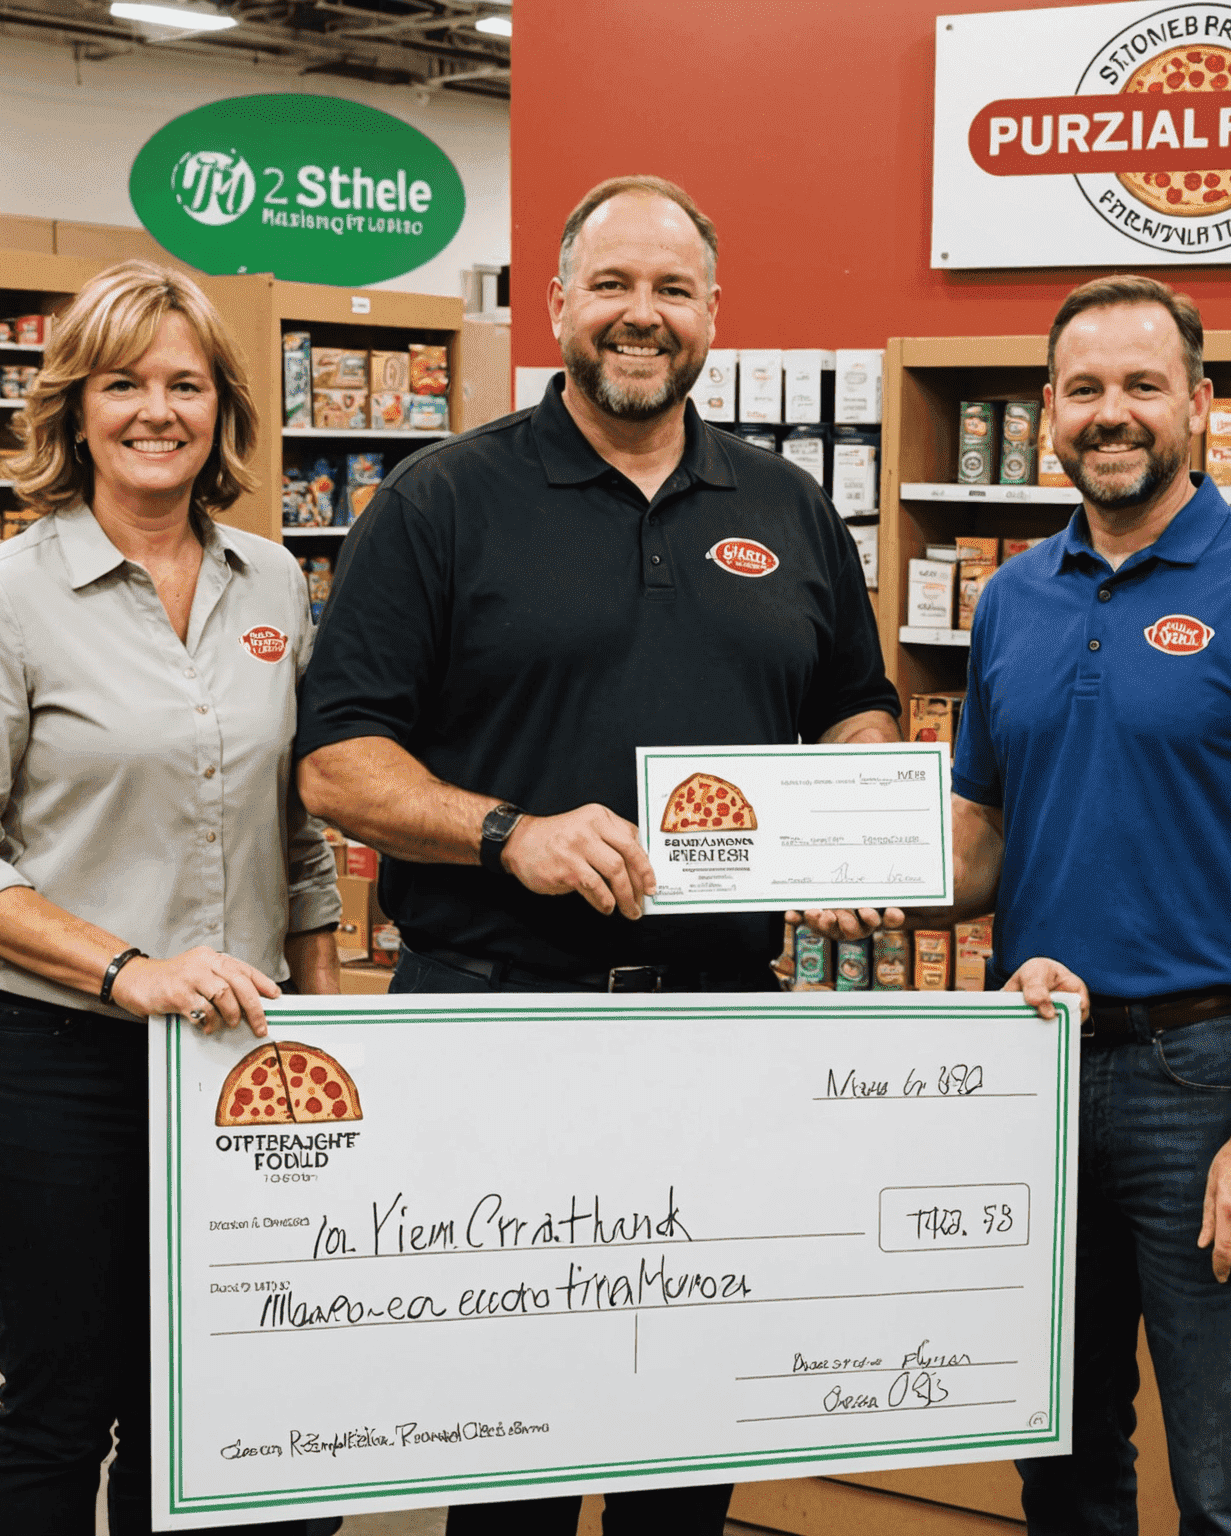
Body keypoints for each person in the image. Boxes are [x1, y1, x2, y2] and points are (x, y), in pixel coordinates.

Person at [294, 175, 900, 1533]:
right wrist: (507, 833)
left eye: (673, 290)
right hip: (499, 1024)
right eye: (614, 286)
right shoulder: (442, 501)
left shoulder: (790, 506)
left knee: (689, 1431)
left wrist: (855, 800)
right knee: (511, 1433)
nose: (644, 315)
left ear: (712, 315)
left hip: (722, 1033)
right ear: (557, 302)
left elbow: (854, 702)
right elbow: (338, 763)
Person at [0, 260, 343, 1536]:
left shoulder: (274, 585)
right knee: (61, 1407)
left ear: (222, 410)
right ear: (74, 410)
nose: (156, 410)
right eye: (123, 384)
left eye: (184, 384)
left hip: (239, 1069)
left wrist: (330, 1032)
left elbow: (296, 832)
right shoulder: (5, 595)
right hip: (56, 1064)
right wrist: (123, 966)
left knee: (200, 1407)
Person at [940, 275, 1231, 1534]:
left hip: (1206, 1077)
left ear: (1200, 400)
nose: (1111, 414)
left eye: (1142, 385)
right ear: (1047, 412)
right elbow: (982, 843)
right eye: (1085, 390)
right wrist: (847, 874)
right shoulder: (1013, 599)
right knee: (1061, 1459)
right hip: (1038, 1070)